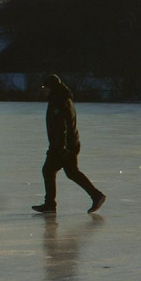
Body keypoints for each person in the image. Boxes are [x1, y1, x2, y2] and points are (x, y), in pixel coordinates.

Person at [32, 74, 106, 214]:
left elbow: (61, 127)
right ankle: (96, 196)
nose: (44, 90)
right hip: (68, 145)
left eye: (45, 87)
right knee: (71, 172)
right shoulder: (62, 99)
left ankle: (50, 205)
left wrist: (61, 148)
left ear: (51, 88)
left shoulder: (58, 102)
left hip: (63, 147)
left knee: (48, 170)